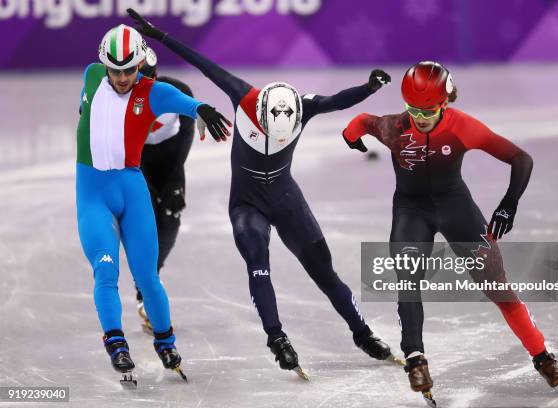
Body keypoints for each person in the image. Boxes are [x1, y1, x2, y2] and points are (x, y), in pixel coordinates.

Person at [127, 8, 401, 379]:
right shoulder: (244, 97)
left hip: (286, 199)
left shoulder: (304, 106)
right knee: (258, 262)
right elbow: (203, 63)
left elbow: (338, 99)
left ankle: (363, 333)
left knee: (324, 271)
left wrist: (369, 88)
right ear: (261, 113)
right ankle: (277, 339)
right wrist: (159, 36)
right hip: (246, 203)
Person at [342, 61, 558, 402]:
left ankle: (542, 356)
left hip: (457, 211)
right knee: (408, 282)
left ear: (445, 103)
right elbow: (361, 122)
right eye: (413, 109)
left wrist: (509, 202)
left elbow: (521, 159)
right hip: (411, 212)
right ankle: (415, 358)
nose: (419, 117)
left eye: (428, 110)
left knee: (498, 289)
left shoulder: (463, 126)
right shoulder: (393, 127)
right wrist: (351, 138)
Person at [77, 24, 230, 386]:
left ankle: (166, 341)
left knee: (147, 276)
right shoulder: (92, 75)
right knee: (106, 271)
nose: (122, 77)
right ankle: (115, 341)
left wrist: (203, 108)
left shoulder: (153, 92)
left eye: (130, 70)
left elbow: (183, 101)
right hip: (94, 195)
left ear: (141, 64)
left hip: (133, 191)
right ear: (103, 66)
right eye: (115, 70)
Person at [134, 47, 196, 335]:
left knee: (170, 218)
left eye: (150, 78)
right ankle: (146, 284)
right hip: (138, 163)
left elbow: (186, 135)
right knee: (144, 224)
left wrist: (173, 179)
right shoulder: (121, 99)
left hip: (172, 162)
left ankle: (149, 278)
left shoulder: (178, 90)